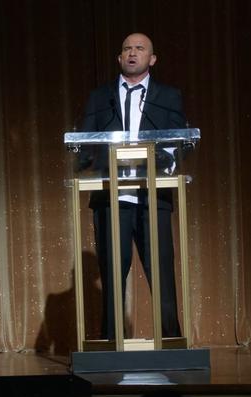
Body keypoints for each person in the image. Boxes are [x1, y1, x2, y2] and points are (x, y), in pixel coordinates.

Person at [80, 33, 186, 339]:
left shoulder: (168, 97)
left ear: (152, 59)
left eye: (140, 49)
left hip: (153, 196)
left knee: (162, 273)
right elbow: (84, 146)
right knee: (113, 274)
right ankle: (112, 344)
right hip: (111, 198)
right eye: (127, 48)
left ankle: (171, 341)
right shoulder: (101, 98)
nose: (132, 53)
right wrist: (94, 159)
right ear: (119, 57)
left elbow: (182, 143)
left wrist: (163, 159)